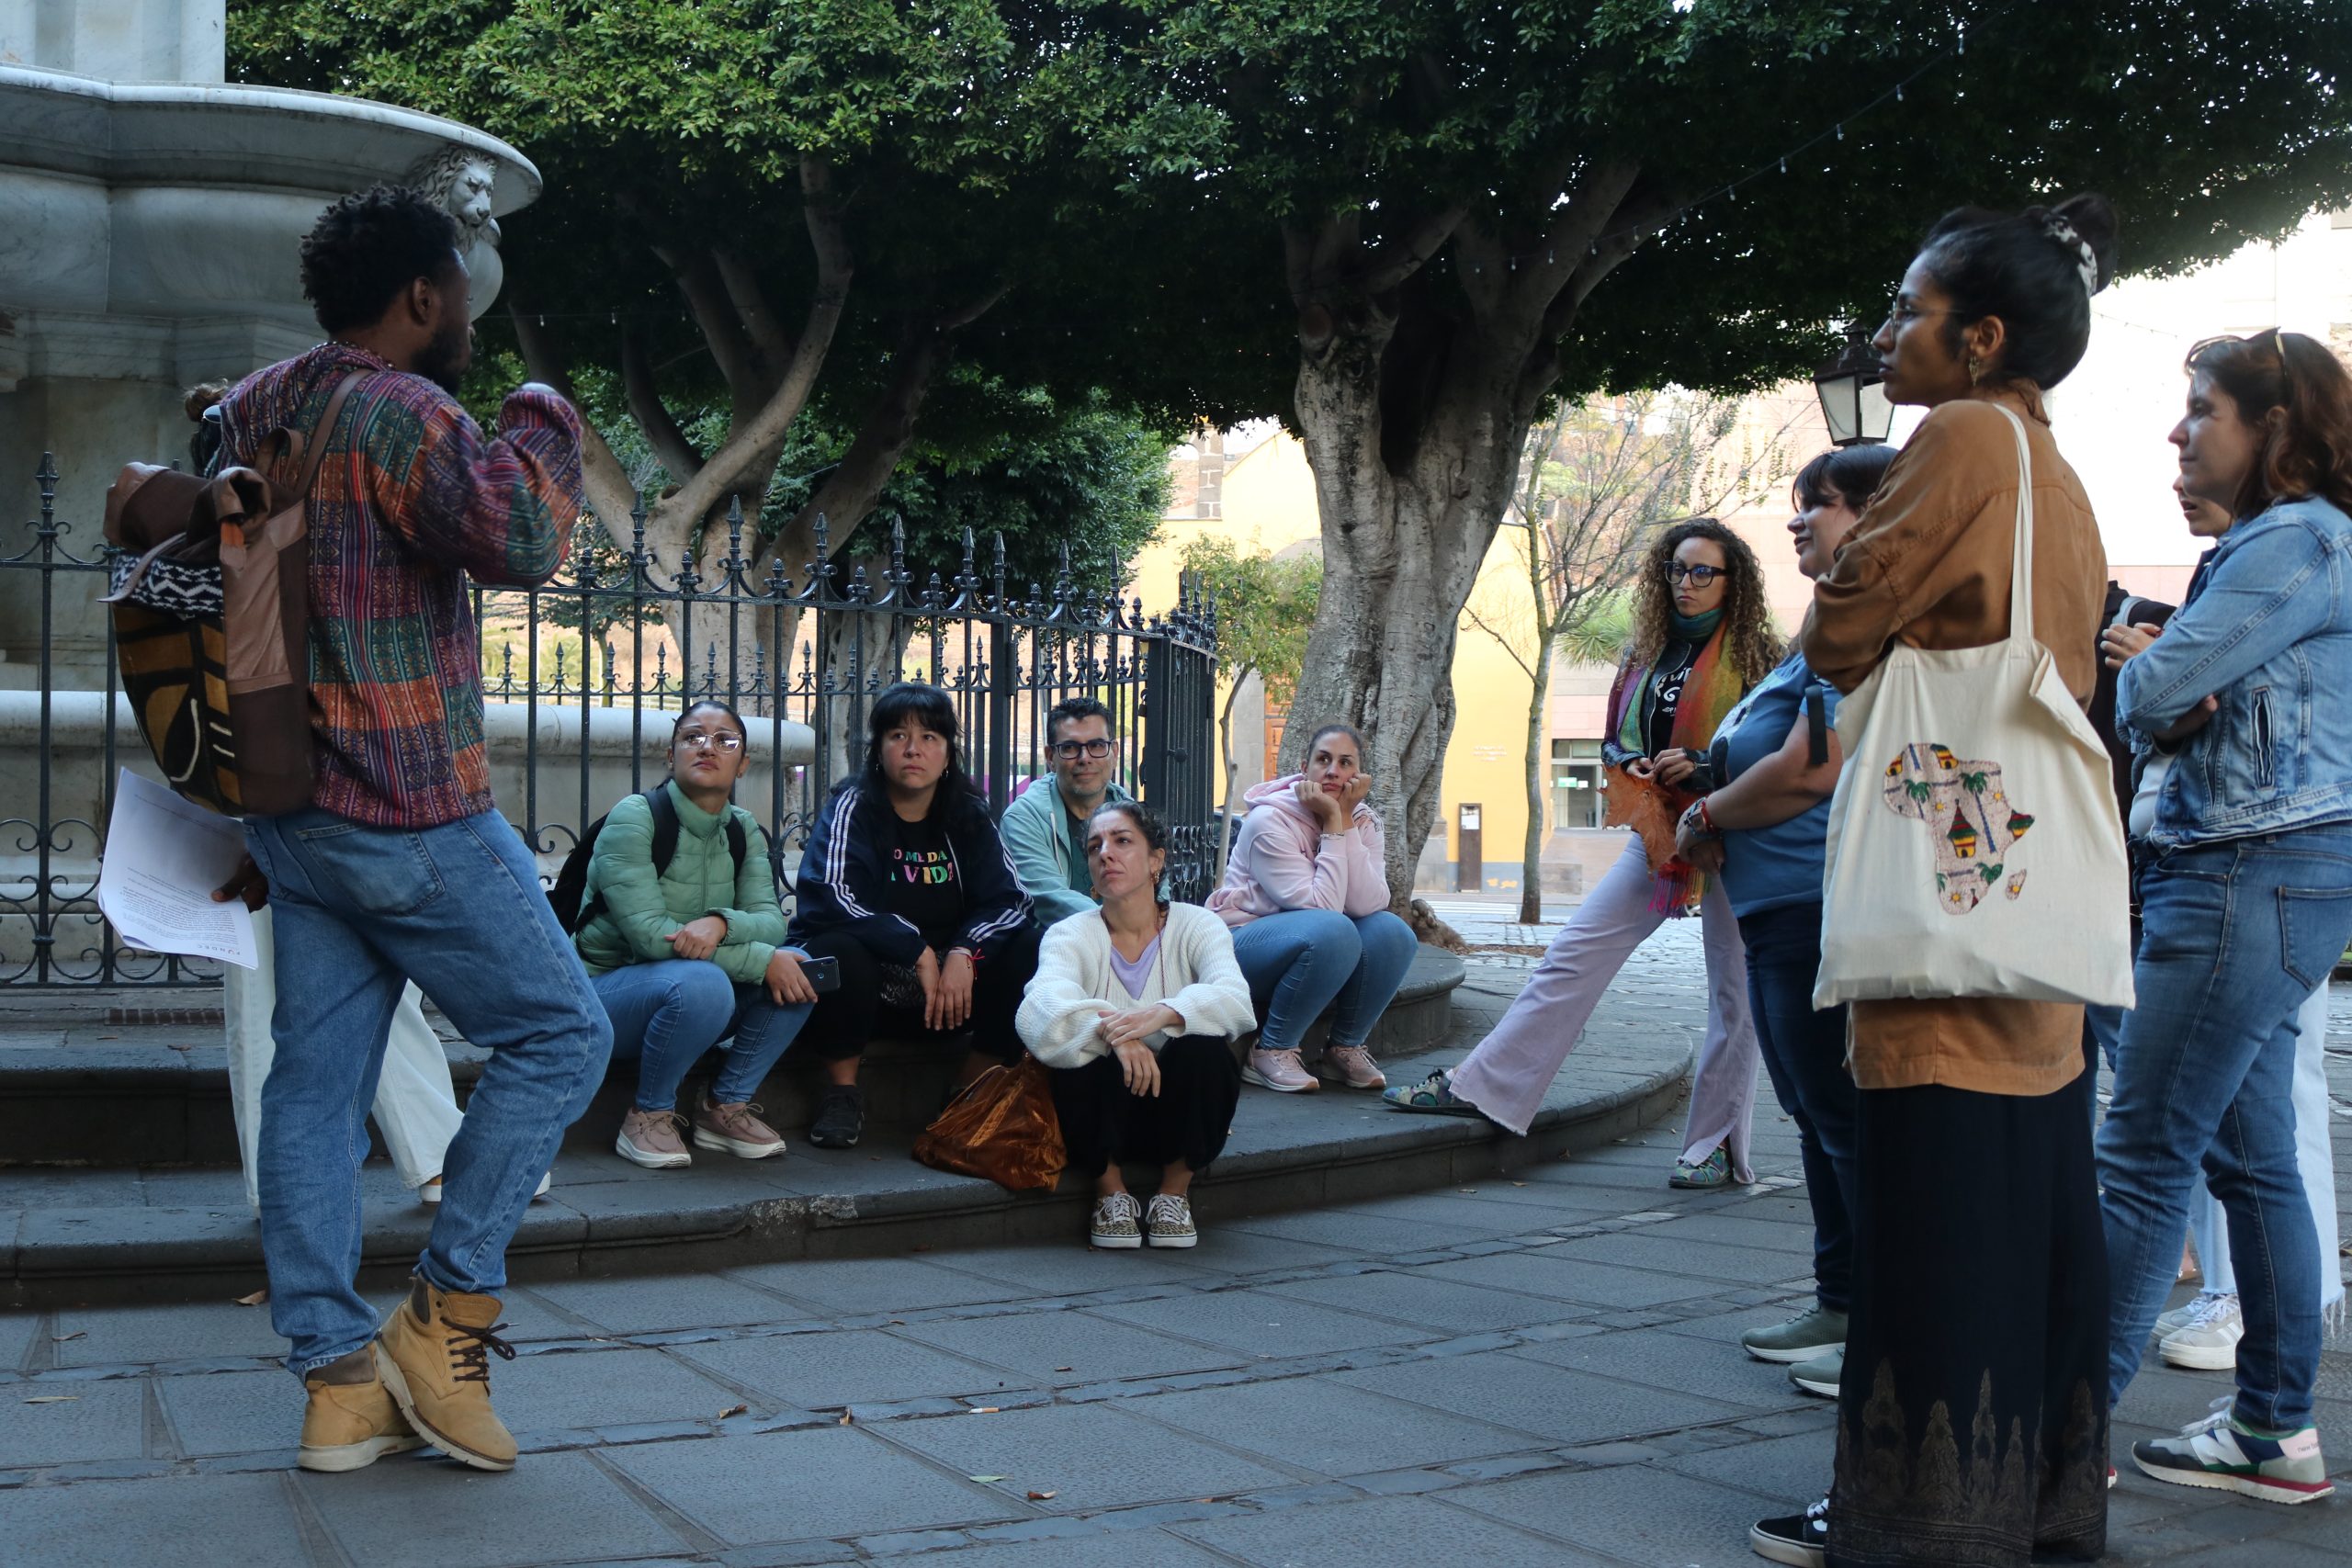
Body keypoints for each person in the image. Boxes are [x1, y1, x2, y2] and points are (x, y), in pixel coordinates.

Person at [211, 186, 611, 1476]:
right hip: (409, 805)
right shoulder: (405, 410)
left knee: (315, 1088)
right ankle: (450, 1308)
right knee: (564, 1030)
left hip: (294, 811)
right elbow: (528, 534)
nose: (472, 325)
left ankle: (336, 1380)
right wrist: (544, 415)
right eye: (463, 298)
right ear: (425, 295)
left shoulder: (258, 399)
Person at [1752, 193, 2118, 1568]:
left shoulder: (1960, 434)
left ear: (1980, 336)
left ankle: (1910, 1518)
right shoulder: (2049, 462)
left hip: (1946, 917)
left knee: (1933, 1210)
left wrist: (1850, 589)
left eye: (1909, 309)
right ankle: (2032, 1507)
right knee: (2032, 1212)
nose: (1886, 329)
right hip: (2037, 908)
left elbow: (1843, 626)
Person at [2099, 327, 2352, 1505]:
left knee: (2142, 1153)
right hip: (2267, 868)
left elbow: (2148, 689)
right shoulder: (2277, 544)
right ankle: (2271, 1431)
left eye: (2203, 408)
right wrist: (2174, 685)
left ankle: (2046, 1437)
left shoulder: (2295, 539)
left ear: (2277, 430)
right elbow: (2179, 696)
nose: (2178, 429)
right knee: (2251, 1166)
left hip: (2242, 869)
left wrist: (2154, 671)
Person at [1386, 519, 1775, 1190]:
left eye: (1702, 572)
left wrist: (1707, 767)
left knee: (1734, 996)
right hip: (1657, 834)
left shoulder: (1761, 657)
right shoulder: (1643, 655)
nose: (1685, 583)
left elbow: (1774, 751)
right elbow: (1611, 741)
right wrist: (1637, 763)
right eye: (1676, 570)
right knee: (1571, 955)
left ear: (1732, 581)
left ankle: (1712, 1145)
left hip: (1735, 838)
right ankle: (1484, 1086)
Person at [1674, 446, 1894, 1406]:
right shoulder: (1821, 629)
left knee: (1843, 1122)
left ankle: (1882, 1326)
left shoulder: (1869, 624)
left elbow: (1815, 765)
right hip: (1774, 910)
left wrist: (1709, 815)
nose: (1801, 520)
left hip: (1814, 904)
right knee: (1815, 1116)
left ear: (1877, 519)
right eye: (1800, 504)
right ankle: (1840, 1300)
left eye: (1826, 506)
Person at [786, 682, 1042, 1150]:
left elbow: (1011, 900)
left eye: (929, 738)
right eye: (898, 736)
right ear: (878, 749)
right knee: (837, 948)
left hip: (950, 995)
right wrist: (915, 949)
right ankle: (842, 1091)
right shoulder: (852, 807)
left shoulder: (968, 814)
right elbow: (831, 895)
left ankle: (969, 1085)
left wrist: (965, 951)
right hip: (872, 992)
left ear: (948, 753)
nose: (913, 750)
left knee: (1029, 945)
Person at [573, 699, 814, 1168]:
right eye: (693, 737)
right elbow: (649, 936)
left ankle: (725, 1108)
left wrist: (722, 922)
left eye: (725, 740)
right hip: (602, 995)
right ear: (671, 755)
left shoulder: (742, 829)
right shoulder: (635, 817)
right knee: (707, 982)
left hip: (688, 993)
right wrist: (761, 959)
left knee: (803, 975)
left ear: (742, 764)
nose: (708, 747)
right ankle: (649, 1114)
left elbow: (770, 921)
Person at [1019, 801, 1256, 1248]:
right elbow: (1041, 1010)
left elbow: (1236, 1000)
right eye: (1094, 846)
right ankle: (1110, 1193)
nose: (1105, 853)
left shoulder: (1198, 925)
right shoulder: (1070, 933)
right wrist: (1114, 1033)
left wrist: (1163, 1013)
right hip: (1100, 1117)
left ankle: (1173, 1193)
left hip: (1178, 1112)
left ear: (1155, 859)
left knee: (1205, 1048)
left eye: (1122, 841)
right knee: (1079, 1054)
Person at [1205, 722, 1419, 1091]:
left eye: (1345, 762)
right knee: (1334, 930)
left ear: (1358, 774)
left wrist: (1345, 821)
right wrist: (1335, 822)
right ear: (1305, 767)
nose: (1333, 770)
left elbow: (1369, 903)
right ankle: (1270, 1049)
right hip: (1243, 944)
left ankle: (1345, 1048)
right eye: (1323, 759)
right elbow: (1324, 907)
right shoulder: (1269, 821)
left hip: (1314, 941)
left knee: (1392, 932)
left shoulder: (1364, 820)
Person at [1001, 695, 1138, 926]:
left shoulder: (1132, 814)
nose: (1084, 758)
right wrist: (1125, 927)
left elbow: (1156, 888)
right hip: (1053, 949)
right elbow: (1050, 899)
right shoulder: (1023, 818)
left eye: (1096, 745)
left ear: (1114, 752)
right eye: (1070, 748)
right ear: (1050, 758)